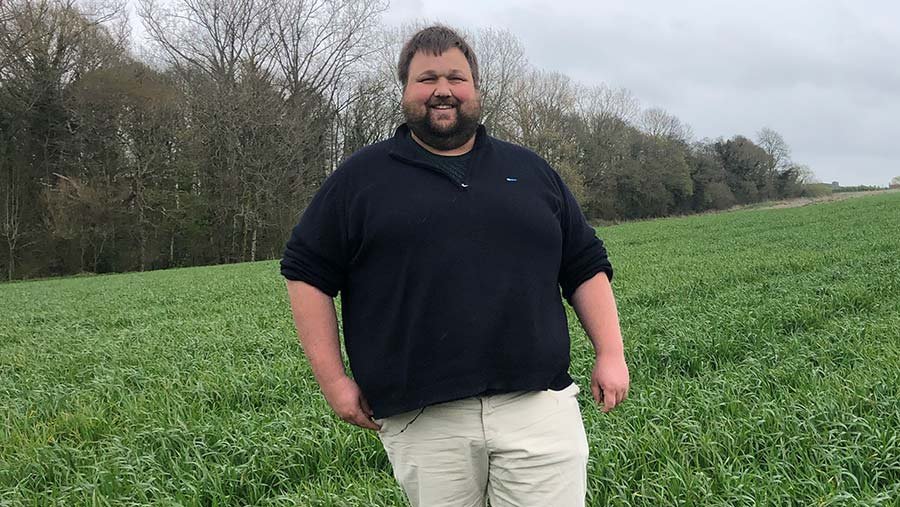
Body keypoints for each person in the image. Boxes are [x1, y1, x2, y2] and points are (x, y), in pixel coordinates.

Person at [281, 25, 630, 507]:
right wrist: (335, 383)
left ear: (475, 89)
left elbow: (584, 264)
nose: (442, 90)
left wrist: (610, 351)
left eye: (455, 77)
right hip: (425, 420)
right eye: (426, 79)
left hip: (538, 408)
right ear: (405, 91)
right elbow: (306, 274)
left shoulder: (530, 171)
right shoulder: (359, 181)